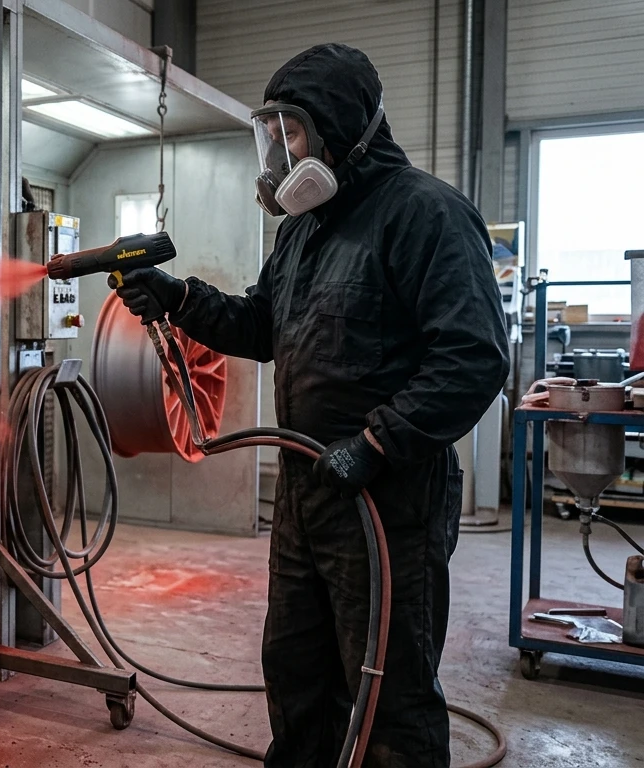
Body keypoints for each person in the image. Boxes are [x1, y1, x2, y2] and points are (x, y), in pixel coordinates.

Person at [114, 44, 510, 767]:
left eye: (292, 133)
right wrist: (179, 299)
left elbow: (474, 357)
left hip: (388, 501)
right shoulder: (300, 231)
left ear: (341, 129)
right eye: (275, 136)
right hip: (308, 490)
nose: (282, 153)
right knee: (297, 674)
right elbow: (263, 327)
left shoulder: (427, 216)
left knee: (390, 691)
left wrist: (378, 442)